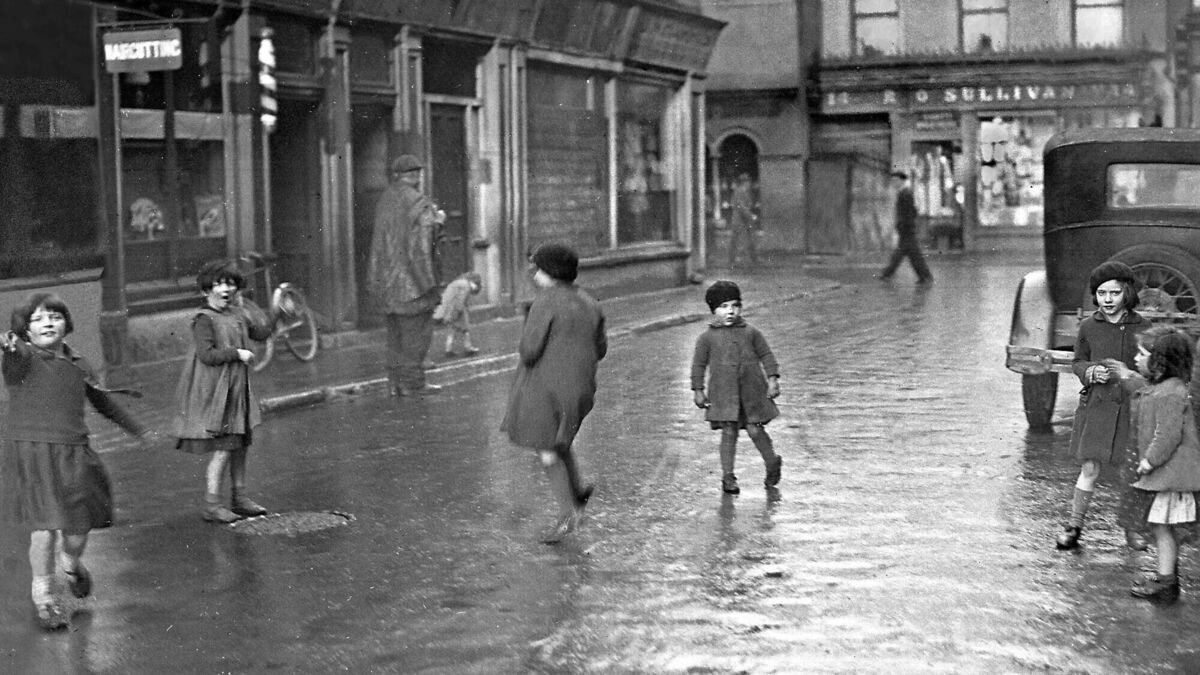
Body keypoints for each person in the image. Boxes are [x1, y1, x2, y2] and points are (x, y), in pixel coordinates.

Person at [1, 293, 154, 630]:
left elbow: (103, 402)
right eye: (38, 319)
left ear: (67, 324)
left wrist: (137, 428)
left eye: (54, 317)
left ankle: (71, 564)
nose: (48, 323)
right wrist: (10, 347)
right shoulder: (22, 358)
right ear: (26, 330)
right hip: (33, 455)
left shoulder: (79, 363)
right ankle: (45, 598)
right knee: (43, 528)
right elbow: (13, 362)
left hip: (73, 454)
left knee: (77, 526)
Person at [501, 243, 607, 544]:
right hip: (580, 388)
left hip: (546, 387)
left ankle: (568, 514)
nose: (534, 274)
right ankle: (578, 492)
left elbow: (529, 351)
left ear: (550, 272)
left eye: (538, 269)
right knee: (561, 442)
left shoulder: (545, 302)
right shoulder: (590, 301)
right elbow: (601, 349)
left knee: (546, 451)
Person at [172, 259, 274, 524]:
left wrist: (278, 313)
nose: (226, 289)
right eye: (219, 284)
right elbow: (207, 355)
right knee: (225, 448)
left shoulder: (236, 314)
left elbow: (260, 333)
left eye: (230, 284)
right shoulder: (204, 320)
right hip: (217, 393)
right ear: (206, 290)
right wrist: (237, 353)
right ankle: (212, 504)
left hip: (237, 390)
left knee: (240, 445)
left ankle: (239, 498)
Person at [1055, 261, 1148, 550]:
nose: (1107, 299)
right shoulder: (1088, 326)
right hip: (1096, 407)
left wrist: (1130, 376)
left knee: (1130, 471)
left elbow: (1152, 368)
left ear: (1127, 293)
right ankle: (1074, 526)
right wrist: (1089, 371)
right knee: (1090, 467)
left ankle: (1132, 530)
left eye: (1115, 293)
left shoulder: (1143, 327)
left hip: (1131, 409)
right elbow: (1078, 361)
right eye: (1101, 293)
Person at [1108, 326, 1200, 603]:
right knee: (1163, 527)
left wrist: (1150, 460)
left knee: (1162, 527)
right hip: (1169, 477)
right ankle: (1167, 577)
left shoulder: (1170, 394)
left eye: (1142, 354)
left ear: (1160, 362)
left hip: (1172, 477)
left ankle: (1167, 583)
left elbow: (1167, 435)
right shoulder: (1165, 388)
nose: (1136, 358)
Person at [691, 280, 782, 494]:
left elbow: (766, 355)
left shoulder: (751, 332)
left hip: (752, 391)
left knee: (755, 429)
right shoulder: (706, 338)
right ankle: (728, 477)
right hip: (724, 394)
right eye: (723, 307)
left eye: (735, 305)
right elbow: (698, 365)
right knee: (729, 431)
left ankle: (772, 462)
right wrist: (698, 390)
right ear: (713, 310)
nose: (730, 311)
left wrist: (772, 379)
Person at [368, 153, 447, 397]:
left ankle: (395, 383)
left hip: (387, 283)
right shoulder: (419, 203)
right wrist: (439, 222)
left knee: (395, 337)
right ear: (416, 176)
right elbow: (423, 244)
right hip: (413, 285)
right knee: (417, 336)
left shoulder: (385, 199)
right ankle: (413, 384)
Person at [877, 170, 933, 284]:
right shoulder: (904, 193)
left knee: (905, 253)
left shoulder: (905, 193)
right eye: (893, 181)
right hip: (906, 228)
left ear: (902, 181)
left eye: (895, 180)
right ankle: (924, 276)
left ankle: (887, 273)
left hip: (906, 229)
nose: (894, 183)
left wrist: (904, 225)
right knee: (911, 254)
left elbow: (910, 212)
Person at [433, 270, 483, 358]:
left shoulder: (459, 282)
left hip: (448, 307)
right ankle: (468, 348)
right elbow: (460, 301)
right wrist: (457, 313)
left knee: (452, 328)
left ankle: (448, 349)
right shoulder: (466, 286)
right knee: (465, 328)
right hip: (455, 308)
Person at [727, 173, 758, 267]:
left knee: (745, 239)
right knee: (740, 240)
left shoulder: (743, 191)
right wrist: (750, 215)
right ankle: (735, 260)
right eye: (748, 181)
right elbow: (741, 207)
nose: (749, 184)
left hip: (743, 220)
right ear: (744, 182)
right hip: (740, 220)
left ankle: (751, 259)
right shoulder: (740, 192)